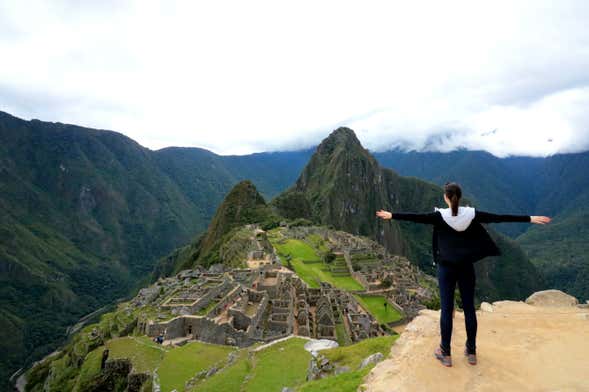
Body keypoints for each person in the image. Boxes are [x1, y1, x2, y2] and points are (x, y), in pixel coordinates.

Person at [375, 182, 551, 367]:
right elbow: (498, 217)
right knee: (468, 309)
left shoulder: (438, 216)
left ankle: (446, 352)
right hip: (466, 267)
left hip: (446, 268)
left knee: (446, 309)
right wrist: (530, 218)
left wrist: (392, 215)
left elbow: (416, 217)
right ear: (459, 197)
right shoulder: (471, 214)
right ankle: (471, 351)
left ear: (445, 197)